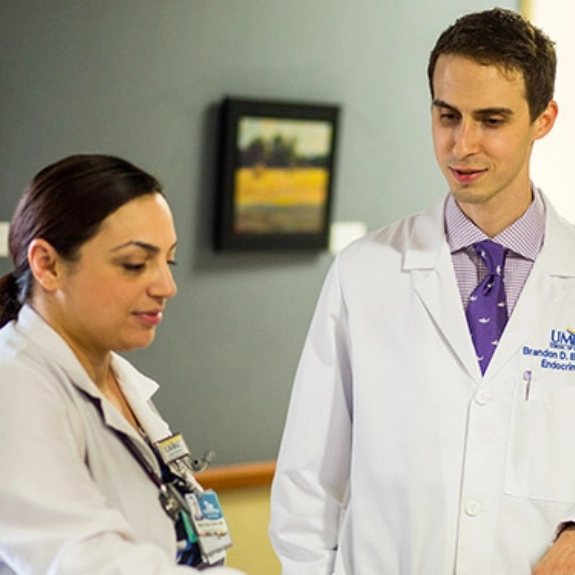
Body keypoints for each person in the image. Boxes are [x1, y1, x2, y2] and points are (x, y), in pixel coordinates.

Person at [269, 8, 575, 574]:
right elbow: (307, 480)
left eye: (491, 120)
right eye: (447, 115)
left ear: (544, 119)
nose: (463, 145)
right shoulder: (365, 273)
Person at [0, 155, 245, 575]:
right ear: (47, 264)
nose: (167, 287)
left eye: (168, 261)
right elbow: (83, 560)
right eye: (134, 264)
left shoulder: (117, 380)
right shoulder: (14, 385)